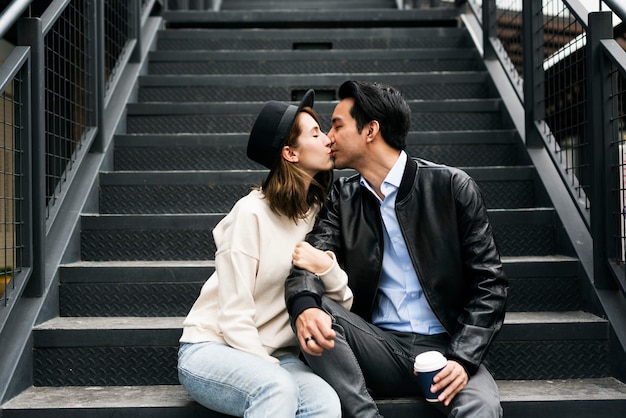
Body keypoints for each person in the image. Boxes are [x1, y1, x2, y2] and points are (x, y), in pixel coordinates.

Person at [285, 80, 508, 418]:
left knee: (481, 408)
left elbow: (490, 285)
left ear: (370, 130)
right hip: (379, 346)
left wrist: (463, 359)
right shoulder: (342, 198)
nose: (329, 137)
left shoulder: (451, 187)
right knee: (316, 312)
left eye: (338, 125)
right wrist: (305, 306)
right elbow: (311, 259)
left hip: (448, 349)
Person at [178, 90, 352, 418]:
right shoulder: (250, 213)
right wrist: (268, 367)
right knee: (276, 388)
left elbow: (342, 304)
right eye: (315, 133)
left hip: (280, 356)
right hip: (212, 348)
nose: (328, 138)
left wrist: (327, 267)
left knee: (325, 403)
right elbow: (233, 316)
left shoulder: (319, 215)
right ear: (290, 153)